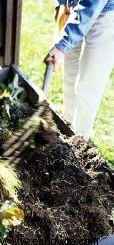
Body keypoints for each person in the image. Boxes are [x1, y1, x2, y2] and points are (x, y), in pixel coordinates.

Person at [44, 0, 114, 140]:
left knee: (87, 88)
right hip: (74, 9)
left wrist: (62, 45)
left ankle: (79, 144)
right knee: (70, 78)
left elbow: (91, 5)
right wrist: (61, 4)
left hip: (105, 13)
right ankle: (66, 132)